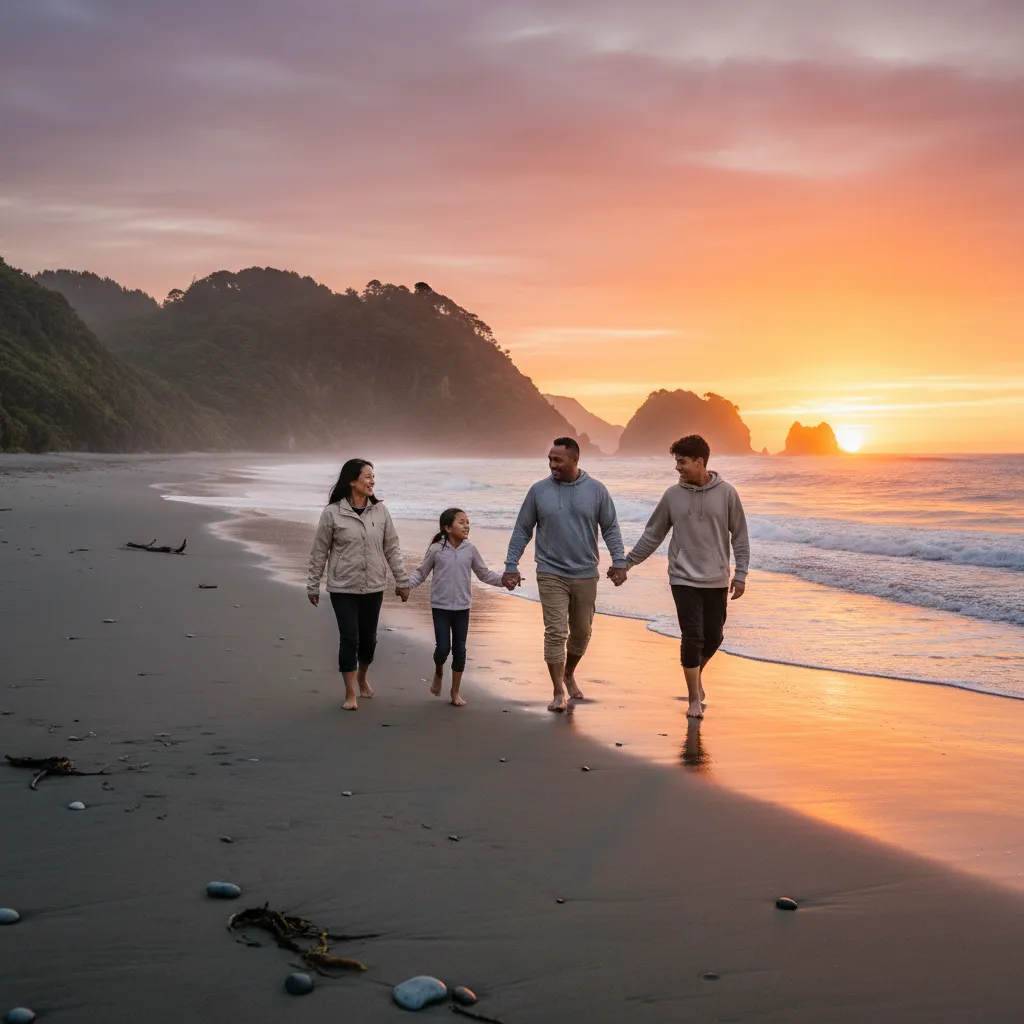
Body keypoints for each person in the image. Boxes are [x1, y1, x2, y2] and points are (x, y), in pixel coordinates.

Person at [618, 434, 749, 720]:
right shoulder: (672, 496)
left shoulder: (727, 493)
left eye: (682, 462)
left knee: (713, 636)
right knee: (692, 637)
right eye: (677, 462)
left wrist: (741, 574)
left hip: (716, 579)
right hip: (682, 578)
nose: (677, 468)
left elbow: (740, 536)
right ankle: (693, 698)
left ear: (700, 462)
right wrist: (628, 563)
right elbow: (653, 534)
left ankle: (695, 675)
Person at [503, 437, 627, 712]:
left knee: (582, 632)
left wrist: (620, 561)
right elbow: (522, 529)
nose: (552, 465)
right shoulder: (538, 491)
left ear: (575, 460)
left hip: (585, 571)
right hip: (550, 571)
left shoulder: (596, 490)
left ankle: (569, 672)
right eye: (550, 459)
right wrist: (511, 565)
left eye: (558, 460)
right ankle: (558, 690)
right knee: (556, 632)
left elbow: (611, 528)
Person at [307, 459, 410, 711]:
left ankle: (363, 676)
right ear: (352, 481)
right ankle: (351, 692)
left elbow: (392, 547)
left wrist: (402, 579)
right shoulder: (332, 513)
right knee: (349, 639)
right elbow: (320, 551)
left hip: (373, 585)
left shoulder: (381, 511)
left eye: (373, 477)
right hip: (343, 586)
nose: (372, 481)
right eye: (367, 476)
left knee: (369, 640)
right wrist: (313, 584)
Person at [406, 508, 504, 707]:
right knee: (443, 648)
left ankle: (455, 692)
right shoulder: (436, 549)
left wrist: (506, 581)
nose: (466, 526)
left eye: (468, 522)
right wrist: (404, 585)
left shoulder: (470, 550)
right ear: (448, 528)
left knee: (460, 650)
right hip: (440, 606)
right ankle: (439, 671)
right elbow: (421, 573)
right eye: (461, 522)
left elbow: (484, 574)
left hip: (462, 607)